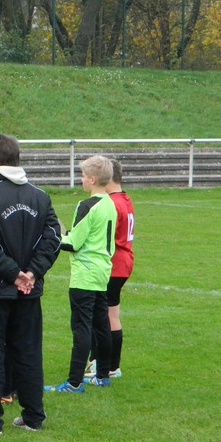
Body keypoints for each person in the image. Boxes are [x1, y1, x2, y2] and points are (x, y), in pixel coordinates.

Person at [0, 134, 61, 434]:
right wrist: (30, 274)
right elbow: (54, 239)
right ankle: (33, 416)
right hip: (27, 290)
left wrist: (20, 274)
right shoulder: (40, 196)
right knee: (29, 352)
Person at [46, 155, 116, 392]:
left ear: (92, 179)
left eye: (84, 176)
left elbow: (74, 243)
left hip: (84, 275)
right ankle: (102, 374)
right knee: (101, 324)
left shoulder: (86, 205)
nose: (81, 180)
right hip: (102, 271)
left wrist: (56, 233)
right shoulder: (110, 203)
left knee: (81, 327)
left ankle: (74, 382)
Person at [87, 158, 134, 379]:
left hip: (113, 264)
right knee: (111, 314)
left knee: (105, 316)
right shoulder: (125, 199)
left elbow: (103, 235)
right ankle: (107, 363)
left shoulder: (113, 203)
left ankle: (107, 365)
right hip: (123, 262)